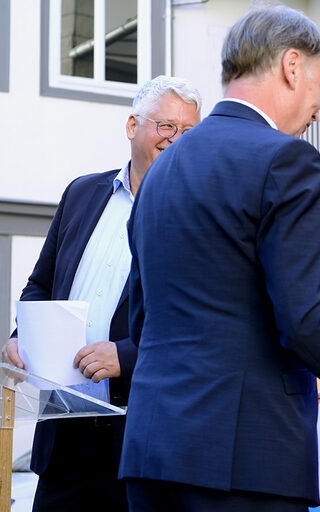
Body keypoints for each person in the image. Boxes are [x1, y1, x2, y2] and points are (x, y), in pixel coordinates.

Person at [119, 6, 320, 512]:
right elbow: (303, 319)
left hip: (152, 452)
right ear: (290, 67)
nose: (317, 108)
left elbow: (143, 319)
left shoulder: (160, 171)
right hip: (245, 457)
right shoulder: (287, 159)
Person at [1, 75, 202, 511]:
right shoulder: (81, 194)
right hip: (63, 434)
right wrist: (23, 337)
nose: (177, 140)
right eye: (166, 126)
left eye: (189, 132)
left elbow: (199, 326)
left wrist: (124, 356)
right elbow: (40, 285)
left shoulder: (199, 217)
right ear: (133, 126)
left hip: (137, 440)